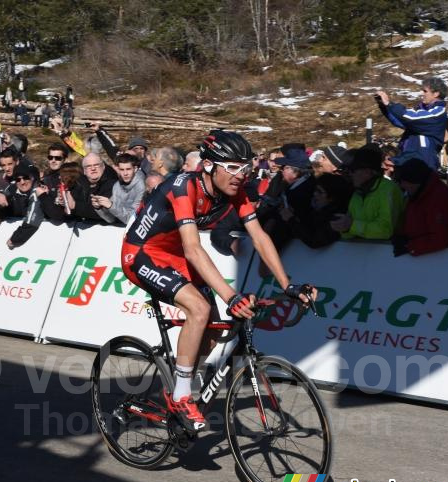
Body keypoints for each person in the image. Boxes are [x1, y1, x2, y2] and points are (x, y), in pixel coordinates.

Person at [121, 130, 316, 432]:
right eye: (233, 167)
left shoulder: (237, 192)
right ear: (210, 165)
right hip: (143, 253)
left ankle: (178, 383)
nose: (241, 175)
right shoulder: (184, 187)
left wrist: (287, 284)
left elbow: (260, 238)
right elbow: (193, 248)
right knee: (199, 309)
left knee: (211, 331)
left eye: (246, 167)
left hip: (175, 255)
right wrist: (230, 297)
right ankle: (182, 394)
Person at [375, 76, 448, 170]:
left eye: (425, 91)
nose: (422, 94)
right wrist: (384, 106)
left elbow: (410, 117)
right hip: (407, 161)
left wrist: (389, 104)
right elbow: (400, 121)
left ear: (436, 94)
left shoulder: (438, 112)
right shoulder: (420, 112)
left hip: (423, 165)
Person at [333, 146, 404, 240]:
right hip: (364, 252)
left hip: (388, 252)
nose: (350, 174)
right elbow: (349, 234)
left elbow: (386, 230)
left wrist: (351, 226)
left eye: (352, 170)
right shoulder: (357, 193)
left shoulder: (388, 190)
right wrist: (343, 228)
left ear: (367, 171)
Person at [392, 157, 448, 256]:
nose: (402, 185)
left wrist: (410, 246)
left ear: (415, 181)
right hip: (420, 256)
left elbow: (440, 238)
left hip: (433, 260)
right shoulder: (418, 193)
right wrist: (401, 235)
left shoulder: (438, 197)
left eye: (404, 182)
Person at [92, 153, 145, 225]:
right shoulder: (117, 185)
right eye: (122, 170)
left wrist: (111, 206)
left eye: (128, 169)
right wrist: (99, 208)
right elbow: (111, 219)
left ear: (135, 169)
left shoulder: (142, 187)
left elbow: (132, 219)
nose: (125, 173)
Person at [71, 153, 117, 222]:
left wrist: (75, 205)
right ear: (84, 171)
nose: (93, 168)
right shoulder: (78, 184)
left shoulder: (113, 185)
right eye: (88, 166)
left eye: (96, 165)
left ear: (103, 167)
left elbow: (102, 213)